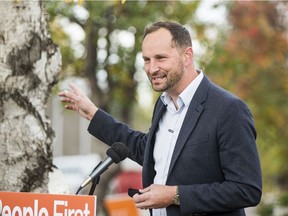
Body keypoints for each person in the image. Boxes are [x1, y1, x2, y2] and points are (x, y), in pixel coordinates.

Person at [58, 21, 262, 216]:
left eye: (161, 58)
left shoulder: (229, 109)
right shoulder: (162, 105)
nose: (151, 68)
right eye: (146, 60)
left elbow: (246, 189)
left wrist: (175, 195)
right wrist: (93, 114)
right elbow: (146, 150)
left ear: (187, 56)